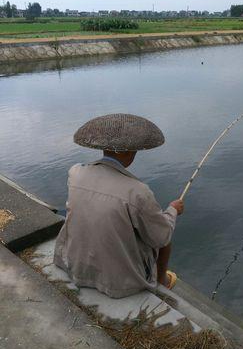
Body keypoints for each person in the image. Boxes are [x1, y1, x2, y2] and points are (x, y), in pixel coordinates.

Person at [54, 113, 184, 298]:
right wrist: (172, 210)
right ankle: (161, 280)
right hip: (120, 284)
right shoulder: (138, 191)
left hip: (74, 266)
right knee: (165, 232)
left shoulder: (75, 173)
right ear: (130, 153)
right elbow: (160, 237)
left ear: (105, 148)